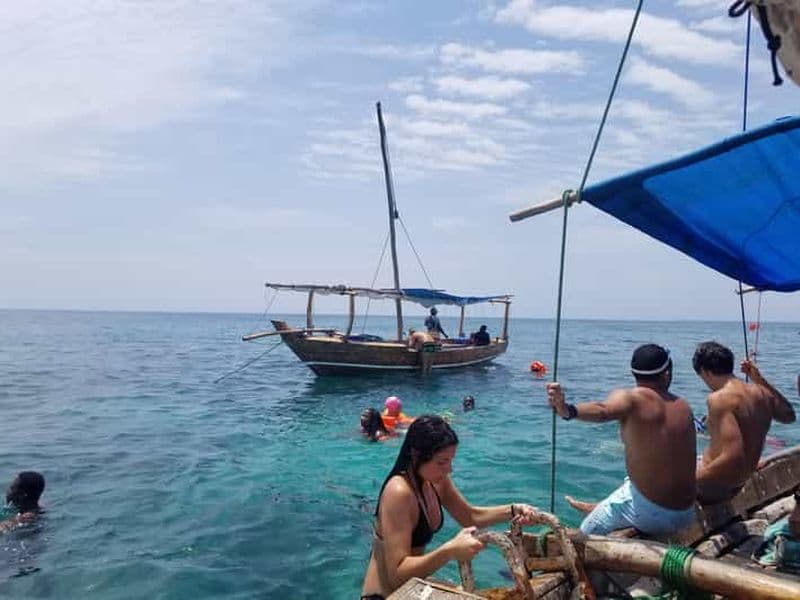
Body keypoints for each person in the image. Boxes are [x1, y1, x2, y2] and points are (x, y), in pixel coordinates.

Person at [360, 415, 539, 599]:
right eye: (441, 462)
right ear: (415, 454)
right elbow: (397, 576)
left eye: (450, 460)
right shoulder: (399, 492)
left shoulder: (436, 481)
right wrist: (450, 551)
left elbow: (471, 516)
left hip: (412, 589)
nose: (449, 470)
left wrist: (513, 510)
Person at [546, 344, 697, 536]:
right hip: (686, 513)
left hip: (655, 514)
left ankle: (601, 517)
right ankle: (606, 505)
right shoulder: (683, 405)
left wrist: (567, 410)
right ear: (667, 372)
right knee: (636, 478)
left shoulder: (631, 399)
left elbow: (602, 410)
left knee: (585, 532)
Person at [692, 341, 796, 504]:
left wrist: (690, 479)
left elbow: (733, 457)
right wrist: (758, 379)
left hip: (714, 487)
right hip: (739, 483)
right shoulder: (761, 392)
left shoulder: (718, 399)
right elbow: (789, 415)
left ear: (705, 372)